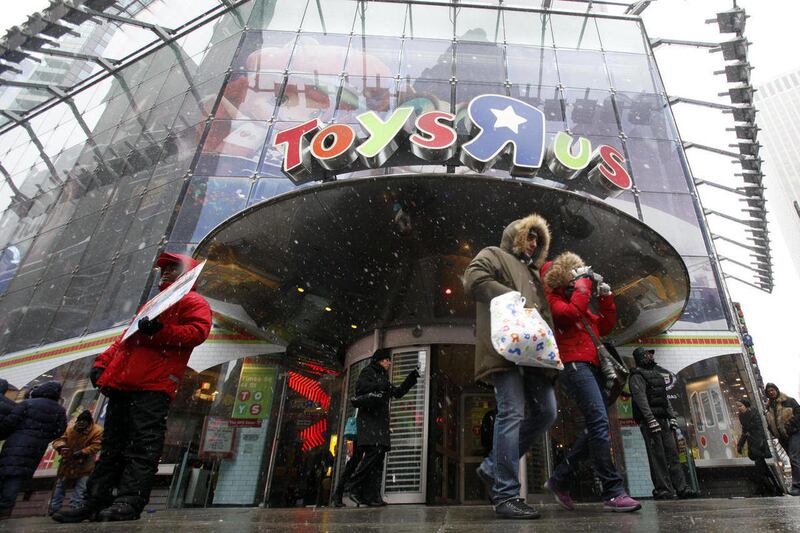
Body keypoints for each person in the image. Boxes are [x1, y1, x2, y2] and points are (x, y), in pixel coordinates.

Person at [53, 253, 212, 523]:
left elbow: (198, 332)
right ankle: (94, 501)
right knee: (112, 447)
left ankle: (129, 500)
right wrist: (102, 364)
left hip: (152, 386)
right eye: (163, 268)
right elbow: (125, 340)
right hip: (123, 384)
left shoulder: (191, 301)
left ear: (186, 272)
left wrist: (160, 331)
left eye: (172, 268)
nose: (164, 272)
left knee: (142, 445)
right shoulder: (154, 303)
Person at [463, 214, 558, 519]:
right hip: (503, 348)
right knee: (512, 411)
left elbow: (541, 313)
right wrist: (511, 297)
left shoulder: (533, 274)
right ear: (517, 235)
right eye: (529, 237)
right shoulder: (494, 254)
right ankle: (505, 494)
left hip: (533, 353)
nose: (533, 244)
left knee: (547, 411)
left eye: (537, 240)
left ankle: (493, 468)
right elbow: (473, 278)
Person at [540, 252, 641, 512]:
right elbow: (570, 314)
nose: (576, 281)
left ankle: (559, 478)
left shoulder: (579, 300)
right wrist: (585, 284)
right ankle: (612, 490)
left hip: (592, 366)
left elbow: (604, 326)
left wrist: (606, 298)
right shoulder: (553, 300)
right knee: (597, 422)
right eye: (572, 278)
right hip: (573, 365)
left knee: (596, 425)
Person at [345, 349, 418, 507]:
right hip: (370, 421)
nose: (389, 363)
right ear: (379, 360)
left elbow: (397, 393)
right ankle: (354, 485)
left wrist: (412, 378)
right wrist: (380, 385)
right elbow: (361, 388)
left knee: (379, 460)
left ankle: (373, 497)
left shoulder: (383, 376)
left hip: (380, 422)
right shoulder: (368, 371)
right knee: (374, 452)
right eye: (387, 360)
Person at [629, 347, 697, 500]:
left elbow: (664, 399)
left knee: (672, 454)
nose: (651, 356)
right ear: (641, 357)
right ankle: (663, 489)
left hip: (663, 420)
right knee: (657, 455)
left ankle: (681, 487)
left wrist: (672, 417)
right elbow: (641, 399)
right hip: (650, 422)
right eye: (647, 354)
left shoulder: (657, 375)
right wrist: (650, 419)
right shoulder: (637, 376)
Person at [0, 381, 67, 519]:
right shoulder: (59, 410)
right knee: (16, 478)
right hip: (36, 449)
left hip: (15, 442)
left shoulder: (28, 403)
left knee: (5, 472)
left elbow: (10, 422)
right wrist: (44, 437)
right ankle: (5, 510)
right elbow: (60, 430)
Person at [48, 410, 104, 515]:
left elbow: (96, 445)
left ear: (89, 422)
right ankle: (55, 508)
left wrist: (83, 452)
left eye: (84, 421)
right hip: (69, 461)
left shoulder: (97, 431)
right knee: (64, 486)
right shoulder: (71, 429)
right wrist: (61, 446)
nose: (81, 423)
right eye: (80, 421)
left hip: (84, 462)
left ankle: (74, 507)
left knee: (79, 486)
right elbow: (59, 440)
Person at [736, 398, 785, 496]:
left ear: (746, 405)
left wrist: (760, 442)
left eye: (741, 406)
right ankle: (775, 489)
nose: (739, 408)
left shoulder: (754, 413)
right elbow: (744, 431)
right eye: (738, 406)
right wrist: (740, 444)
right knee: (763, 468)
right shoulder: (741, 416)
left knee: (760, 468)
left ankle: (767, 489)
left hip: (759, 443)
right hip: (752, 443)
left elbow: (759, 428)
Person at [764, 383, 800, 496]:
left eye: (772, 390)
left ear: (776, 390)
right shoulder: (769, 407)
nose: (771, 392)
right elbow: (770, 422)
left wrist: (790, 424)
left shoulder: (789, 401)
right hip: (782, 437)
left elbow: (799, 414)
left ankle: (797, 486)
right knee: (795, 459)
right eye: (768, 391)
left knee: (794, 458)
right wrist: (772, 430)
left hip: (794, 433)